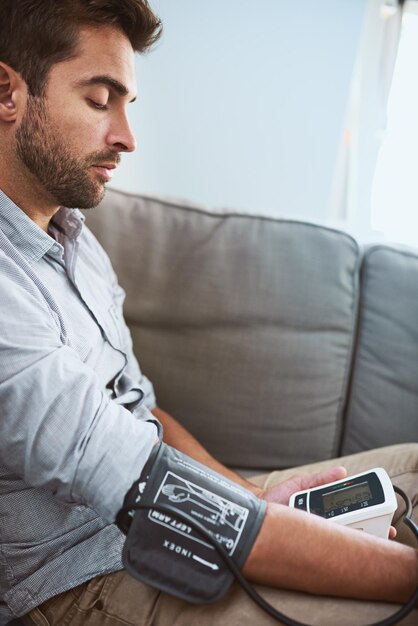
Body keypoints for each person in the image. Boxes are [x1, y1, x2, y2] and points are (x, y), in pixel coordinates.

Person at [0, 1, 416, 625]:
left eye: (126, 106)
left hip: (164, 523)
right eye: (98, 99)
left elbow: (140, 413)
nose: (127, 137)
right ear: (7, 93)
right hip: (83, 583)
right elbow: (149, 486)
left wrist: (252, 494)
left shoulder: (78, 245)